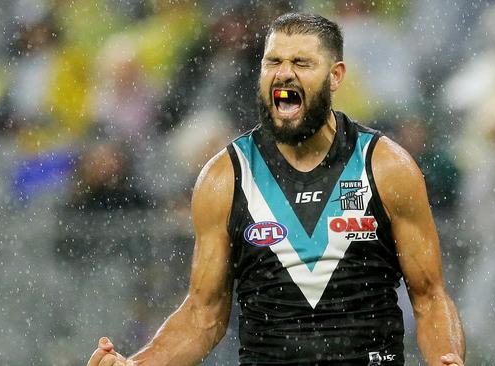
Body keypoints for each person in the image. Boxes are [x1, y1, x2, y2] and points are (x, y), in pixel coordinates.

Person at [87, 13, 465, 366]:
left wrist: (448, 359)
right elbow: (203, 315)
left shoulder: (387, 168)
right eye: (274, 62)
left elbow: (430, 297)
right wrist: (137, 364)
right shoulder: (225, 177)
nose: (284, 74)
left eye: (301, 63)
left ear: (335, 77)